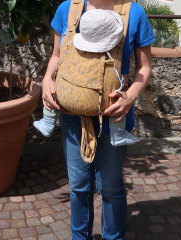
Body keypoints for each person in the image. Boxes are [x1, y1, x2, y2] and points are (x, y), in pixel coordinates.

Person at [41, 0, 155, 240]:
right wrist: (47, 80)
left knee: (111, 187)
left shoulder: (133, 13)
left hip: (114, 115)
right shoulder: (68, 10)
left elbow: (144, 68)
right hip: (71, 115)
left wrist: (129, 98)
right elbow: (56, 55)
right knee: (79, 185)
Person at [33, 8, 139, 147]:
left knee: (56, 88)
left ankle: (48, 122)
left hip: (66, 101)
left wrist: (48, 78)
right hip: (102, 106)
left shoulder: (72, 50)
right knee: (117, 96)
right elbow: (119, 79)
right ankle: (117, 134)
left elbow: (56, 57)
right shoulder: (111, 59)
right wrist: (124, 82)